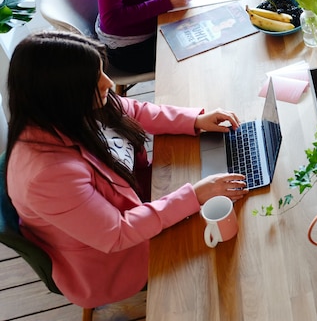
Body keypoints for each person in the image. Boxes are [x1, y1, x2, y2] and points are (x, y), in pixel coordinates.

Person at [4, 31, 248, 309]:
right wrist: (194, 195)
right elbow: (117, 233)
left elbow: (133, 110)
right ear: (63, 93)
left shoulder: (67, 108)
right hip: (113, 260)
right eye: (95, 79)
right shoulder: (46, 176)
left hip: (142, 199)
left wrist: (195, 120)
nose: (109, 82)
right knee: (232, 266)